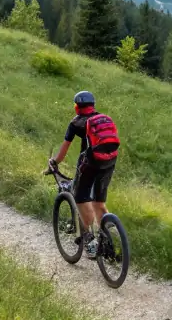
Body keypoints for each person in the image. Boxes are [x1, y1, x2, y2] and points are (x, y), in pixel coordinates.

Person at [49, 90, 120, 257]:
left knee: (81, 198)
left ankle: (90, 242)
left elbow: (63, 151)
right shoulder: (103, 119)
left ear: (76, 107)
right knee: (99, 203)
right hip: (109, 162)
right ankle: (115, 242)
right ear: (93, 105)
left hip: (90, 163)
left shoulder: (76, 123)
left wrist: (54, 162)